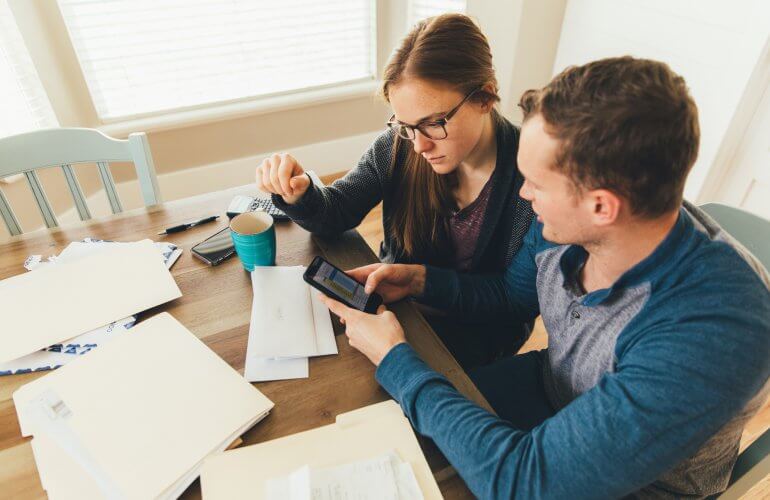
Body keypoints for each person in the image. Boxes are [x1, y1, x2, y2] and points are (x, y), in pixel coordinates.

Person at [318, 56, 770, 498]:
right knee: (377, 428)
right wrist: (420, 281)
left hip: (639, 484)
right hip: (553, 387)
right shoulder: (583, 223)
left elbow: (525, 482)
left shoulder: (712, 332)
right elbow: (514, 295)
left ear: (601, 206)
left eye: (536, 183)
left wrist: (397, 357)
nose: (522, 192)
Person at [256, 14, 535, 368]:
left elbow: (515, 301)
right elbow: (337, 210)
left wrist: (420, 281)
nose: (418, 146)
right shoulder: (398, 146)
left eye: (434, 123)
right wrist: (300, 193)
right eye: (404, 125)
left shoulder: (534, 180)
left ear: (485, 95)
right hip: (393, 310)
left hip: (476, 338)